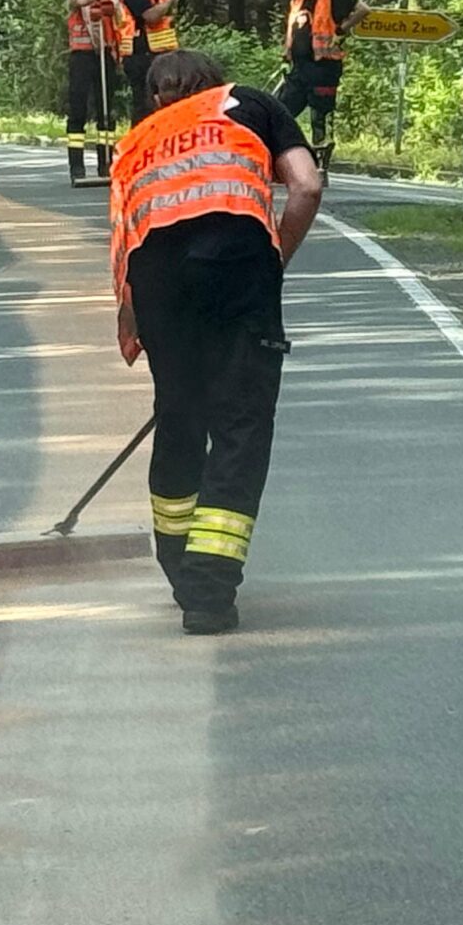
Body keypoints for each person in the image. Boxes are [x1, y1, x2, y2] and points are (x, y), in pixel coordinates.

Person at [111, 49, 323, 635]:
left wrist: (130, 318)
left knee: (179, 416)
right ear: (215, 81)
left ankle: (180, 569)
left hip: (157, 285)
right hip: (237, 270)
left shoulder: (137, 141)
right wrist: (272, 259)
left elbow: (125, 236)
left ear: (157, 97)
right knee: (240, 422)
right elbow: (305, 187)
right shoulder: (251, 103)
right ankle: (208, 593)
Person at [274, 0, 366, 168]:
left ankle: (320, 165)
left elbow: (363, 9)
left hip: (324, 69)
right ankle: (285, 157)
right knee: (281, 111)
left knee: (320, 117)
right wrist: (287, 52)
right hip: (299, 68)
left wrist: (342, 29)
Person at [62, 0, 124, 185]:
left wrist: (112, 5)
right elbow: (75, 2)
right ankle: (76, 166)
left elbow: (121, 20)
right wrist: (96, 0)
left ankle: (105, 163)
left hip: (104, 57)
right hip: (81, 58)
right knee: (78, 110)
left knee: (105, 110)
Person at [115, 0, 180, 124]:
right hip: (140, 54)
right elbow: (150, 17)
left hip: (159, 51)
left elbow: (165, 17)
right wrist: (169, 2)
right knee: (144, 107)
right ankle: (138, 149)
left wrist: (170, 7)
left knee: (160, 106)